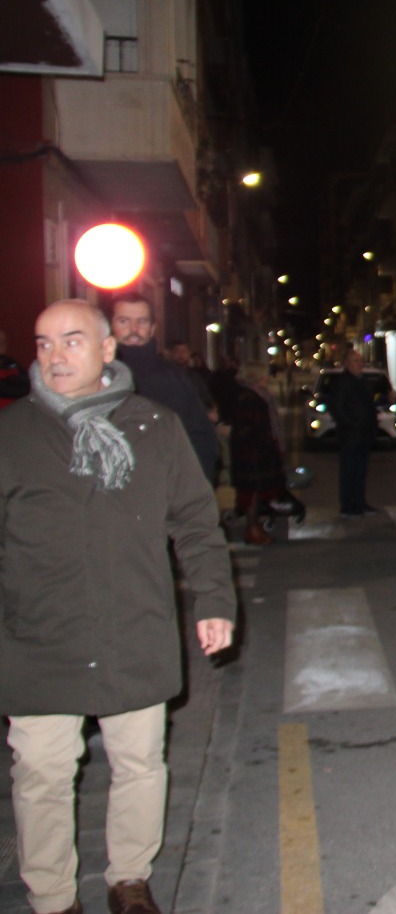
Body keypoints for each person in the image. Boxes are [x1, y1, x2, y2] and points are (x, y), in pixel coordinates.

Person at [1, 299, 235, 914]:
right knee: (42, 774)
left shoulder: (153, 426)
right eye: (43, 342)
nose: (54, 355)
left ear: (108, 349)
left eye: (72, 340)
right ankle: (53, 896)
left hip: (134, 624)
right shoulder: (13, 433)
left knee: (140, 762)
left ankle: (130, 878)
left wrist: (214, 600)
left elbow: (195, 521)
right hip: (39, 635)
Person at [110, 296, 218, 484]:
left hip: (162, 490)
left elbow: (200, 438)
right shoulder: (95, 378)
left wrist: (192, 490)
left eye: (141, 321)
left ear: (152, 328)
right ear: (111, 326)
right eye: (124, 321)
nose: (133, 329)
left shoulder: (175, 380)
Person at [229, 362, 286, 546]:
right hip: (252, 453)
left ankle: (255, 527)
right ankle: (252, 529)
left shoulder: (257, 395)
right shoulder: (249, 397)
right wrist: (264, 443)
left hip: (258, 451)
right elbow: (249, 428)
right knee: (251, 493)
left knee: (257, 492)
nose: (267, 377)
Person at [327, 349, 379, 517]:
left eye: (360, 360)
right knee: (349, 470)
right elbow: (337, 408)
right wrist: (352, 424)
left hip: (364, 433)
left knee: (360, 470)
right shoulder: (343, 382)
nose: (360, 364)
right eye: (356, 361)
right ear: (347, 364)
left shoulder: (363, 381)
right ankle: (348, 505)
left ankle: (360, 502)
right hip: (350, 434)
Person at [0, 326, 29, 411]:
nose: (2, 345)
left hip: (16, 411)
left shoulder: (10, 363)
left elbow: (28, 386)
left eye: (3, 342)